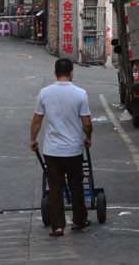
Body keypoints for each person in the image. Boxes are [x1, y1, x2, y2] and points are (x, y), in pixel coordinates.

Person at [30, 58, 92, 237]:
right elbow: (86, 123)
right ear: (72, 72)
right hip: (74, 149)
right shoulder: (80, 94)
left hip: (52, 150)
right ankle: (79, 220)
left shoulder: (44, 93)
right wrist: (87, 137)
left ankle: (57, 226)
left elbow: (37, 120)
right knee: (76, 185)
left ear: (55, 73)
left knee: (55, 187)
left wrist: (33, 139)